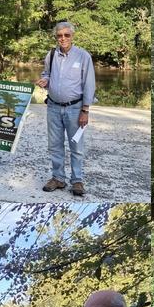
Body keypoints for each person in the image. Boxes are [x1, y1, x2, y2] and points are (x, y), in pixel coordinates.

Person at [37, 21, 96, 197]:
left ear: (72, 36)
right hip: (53, 107)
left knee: (76, 146)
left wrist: (85, 110)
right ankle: (58, 178)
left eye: (66, 35)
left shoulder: (83, 56)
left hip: (75, 108)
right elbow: (46, 73)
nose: (63, 38)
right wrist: (45, 80)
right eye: (59, 35)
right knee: (55, 145)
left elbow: (89, 84)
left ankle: (77, 181)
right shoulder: (52, 54)